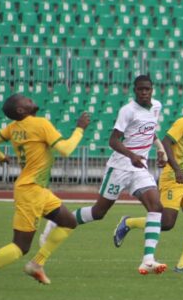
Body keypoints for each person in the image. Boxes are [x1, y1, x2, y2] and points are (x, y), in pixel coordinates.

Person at [39, 75, 168, 275]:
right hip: (119, 167)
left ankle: (148, 259)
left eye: (147, 89)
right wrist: (131, 154)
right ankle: (58, 220)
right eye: (140, 89)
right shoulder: (127, 111)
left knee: (156, 206)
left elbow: (151, 132)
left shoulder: (157, 106)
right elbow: (113, 141)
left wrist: (161, 150)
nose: (144, 92)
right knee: (98, 212)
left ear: (152, 90)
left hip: (140, 168)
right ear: (134, 90)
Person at [0, 94, 90, 292]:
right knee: (20, 246)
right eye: (26, 100)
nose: (30, 100)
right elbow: (66, 149)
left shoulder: (13, 128)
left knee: (68, 222)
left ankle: (37, 264)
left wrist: (1, 157)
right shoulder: (39, 124)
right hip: (30, 191)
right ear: (21, 110)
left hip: (38, 190)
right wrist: (80, 129)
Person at [113, 92, 183, 273]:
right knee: (166, 223)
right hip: (173, 178)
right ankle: (129, 223)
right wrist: (176, 169)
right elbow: (166, 142)